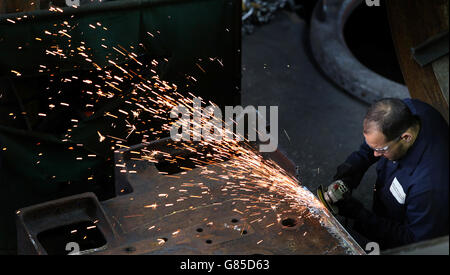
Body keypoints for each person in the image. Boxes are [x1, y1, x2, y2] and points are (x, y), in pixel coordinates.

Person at [333, 98, 448, 250]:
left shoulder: (428, 187)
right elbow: (372, 147)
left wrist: (360, 214)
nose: (374, 154)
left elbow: (414, 241)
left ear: (406, 137)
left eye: (381, 150)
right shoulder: (405, 112)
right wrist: (350, 171)